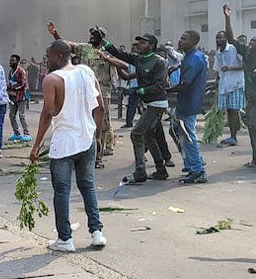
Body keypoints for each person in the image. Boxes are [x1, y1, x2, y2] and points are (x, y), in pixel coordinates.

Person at [30, 41, 105, 252]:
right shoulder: (86, 72)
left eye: (49, 56)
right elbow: (100, 108)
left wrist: (36, 146)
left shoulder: (52, 79)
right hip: (87, 140)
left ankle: (65, 239)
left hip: (64, 144)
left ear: (60, 56)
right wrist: (97, 136)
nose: (47, 60)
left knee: (62, 192)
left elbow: (47, 113)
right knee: (87, 186)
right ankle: (97, 232)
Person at [101, 33, 169, 183]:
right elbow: (119, 54)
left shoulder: (159, 62)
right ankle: (160, 170)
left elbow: (159, 86)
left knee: (136, 134)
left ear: (151, 46)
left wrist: (138, 91)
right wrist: (103, 41)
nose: (138, 45)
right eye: (138, 42)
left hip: (156, 104)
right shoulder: (139, 59)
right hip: (148, 104)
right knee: (148, 136)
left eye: (143, 43)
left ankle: (140, 172)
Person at [47, 23, 116, 169]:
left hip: (103, 91)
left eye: (95, 34)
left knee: (102, 124)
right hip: (83, 90)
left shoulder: (108, 52)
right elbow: (66, 46)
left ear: (102, 37)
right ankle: (81, 154)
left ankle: (98, 156)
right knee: (82, 121)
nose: (91, 36)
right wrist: (55, 34)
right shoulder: (84, 48)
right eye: (91, 34)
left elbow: (120, 66)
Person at [167, 30, 208, 184]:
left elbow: (185, 84)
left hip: (189, 102)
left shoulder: (193, 59)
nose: (180, 40)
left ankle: (197, 170)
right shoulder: (190, 57)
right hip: (186, 101)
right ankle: (192, 161)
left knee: (187, 136)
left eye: (184, 39)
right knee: (175, 130)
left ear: (193, 42)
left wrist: (167, 90)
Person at [224, 5, 256, 167]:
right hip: (252, 100)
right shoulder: (247, 54)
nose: (251, 43)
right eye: (250, 41)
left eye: (254, 42)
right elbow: (231, 39)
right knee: (252, 127)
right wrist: (227, 18)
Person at [214, 21, 246, 147]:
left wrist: (231, 68)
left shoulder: (233, 49)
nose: (218, 39)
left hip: (235, 84)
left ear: (226, 38)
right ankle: (232, 135)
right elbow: (218, 68)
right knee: (229, 110)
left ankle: (233, 137)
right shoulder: (218, 52)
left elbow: (245, 65)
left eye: (221, 37)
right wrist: (216, 82)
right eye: (217, 37)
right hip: (224, 85)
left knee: (233, 110)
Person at [7, 54, 32, 142]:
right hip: (13, 97)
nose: (10, 62)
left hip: (21, 96)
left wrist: (12, 87)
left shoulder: (21, 71)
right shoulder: (10, 72)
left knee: (21, 116)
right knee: (11, 115)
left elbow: (23, 84)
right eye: (10, 60)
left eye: (12, 60)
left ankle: (26, 133)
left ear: (17, 62)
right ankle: (16, 133)